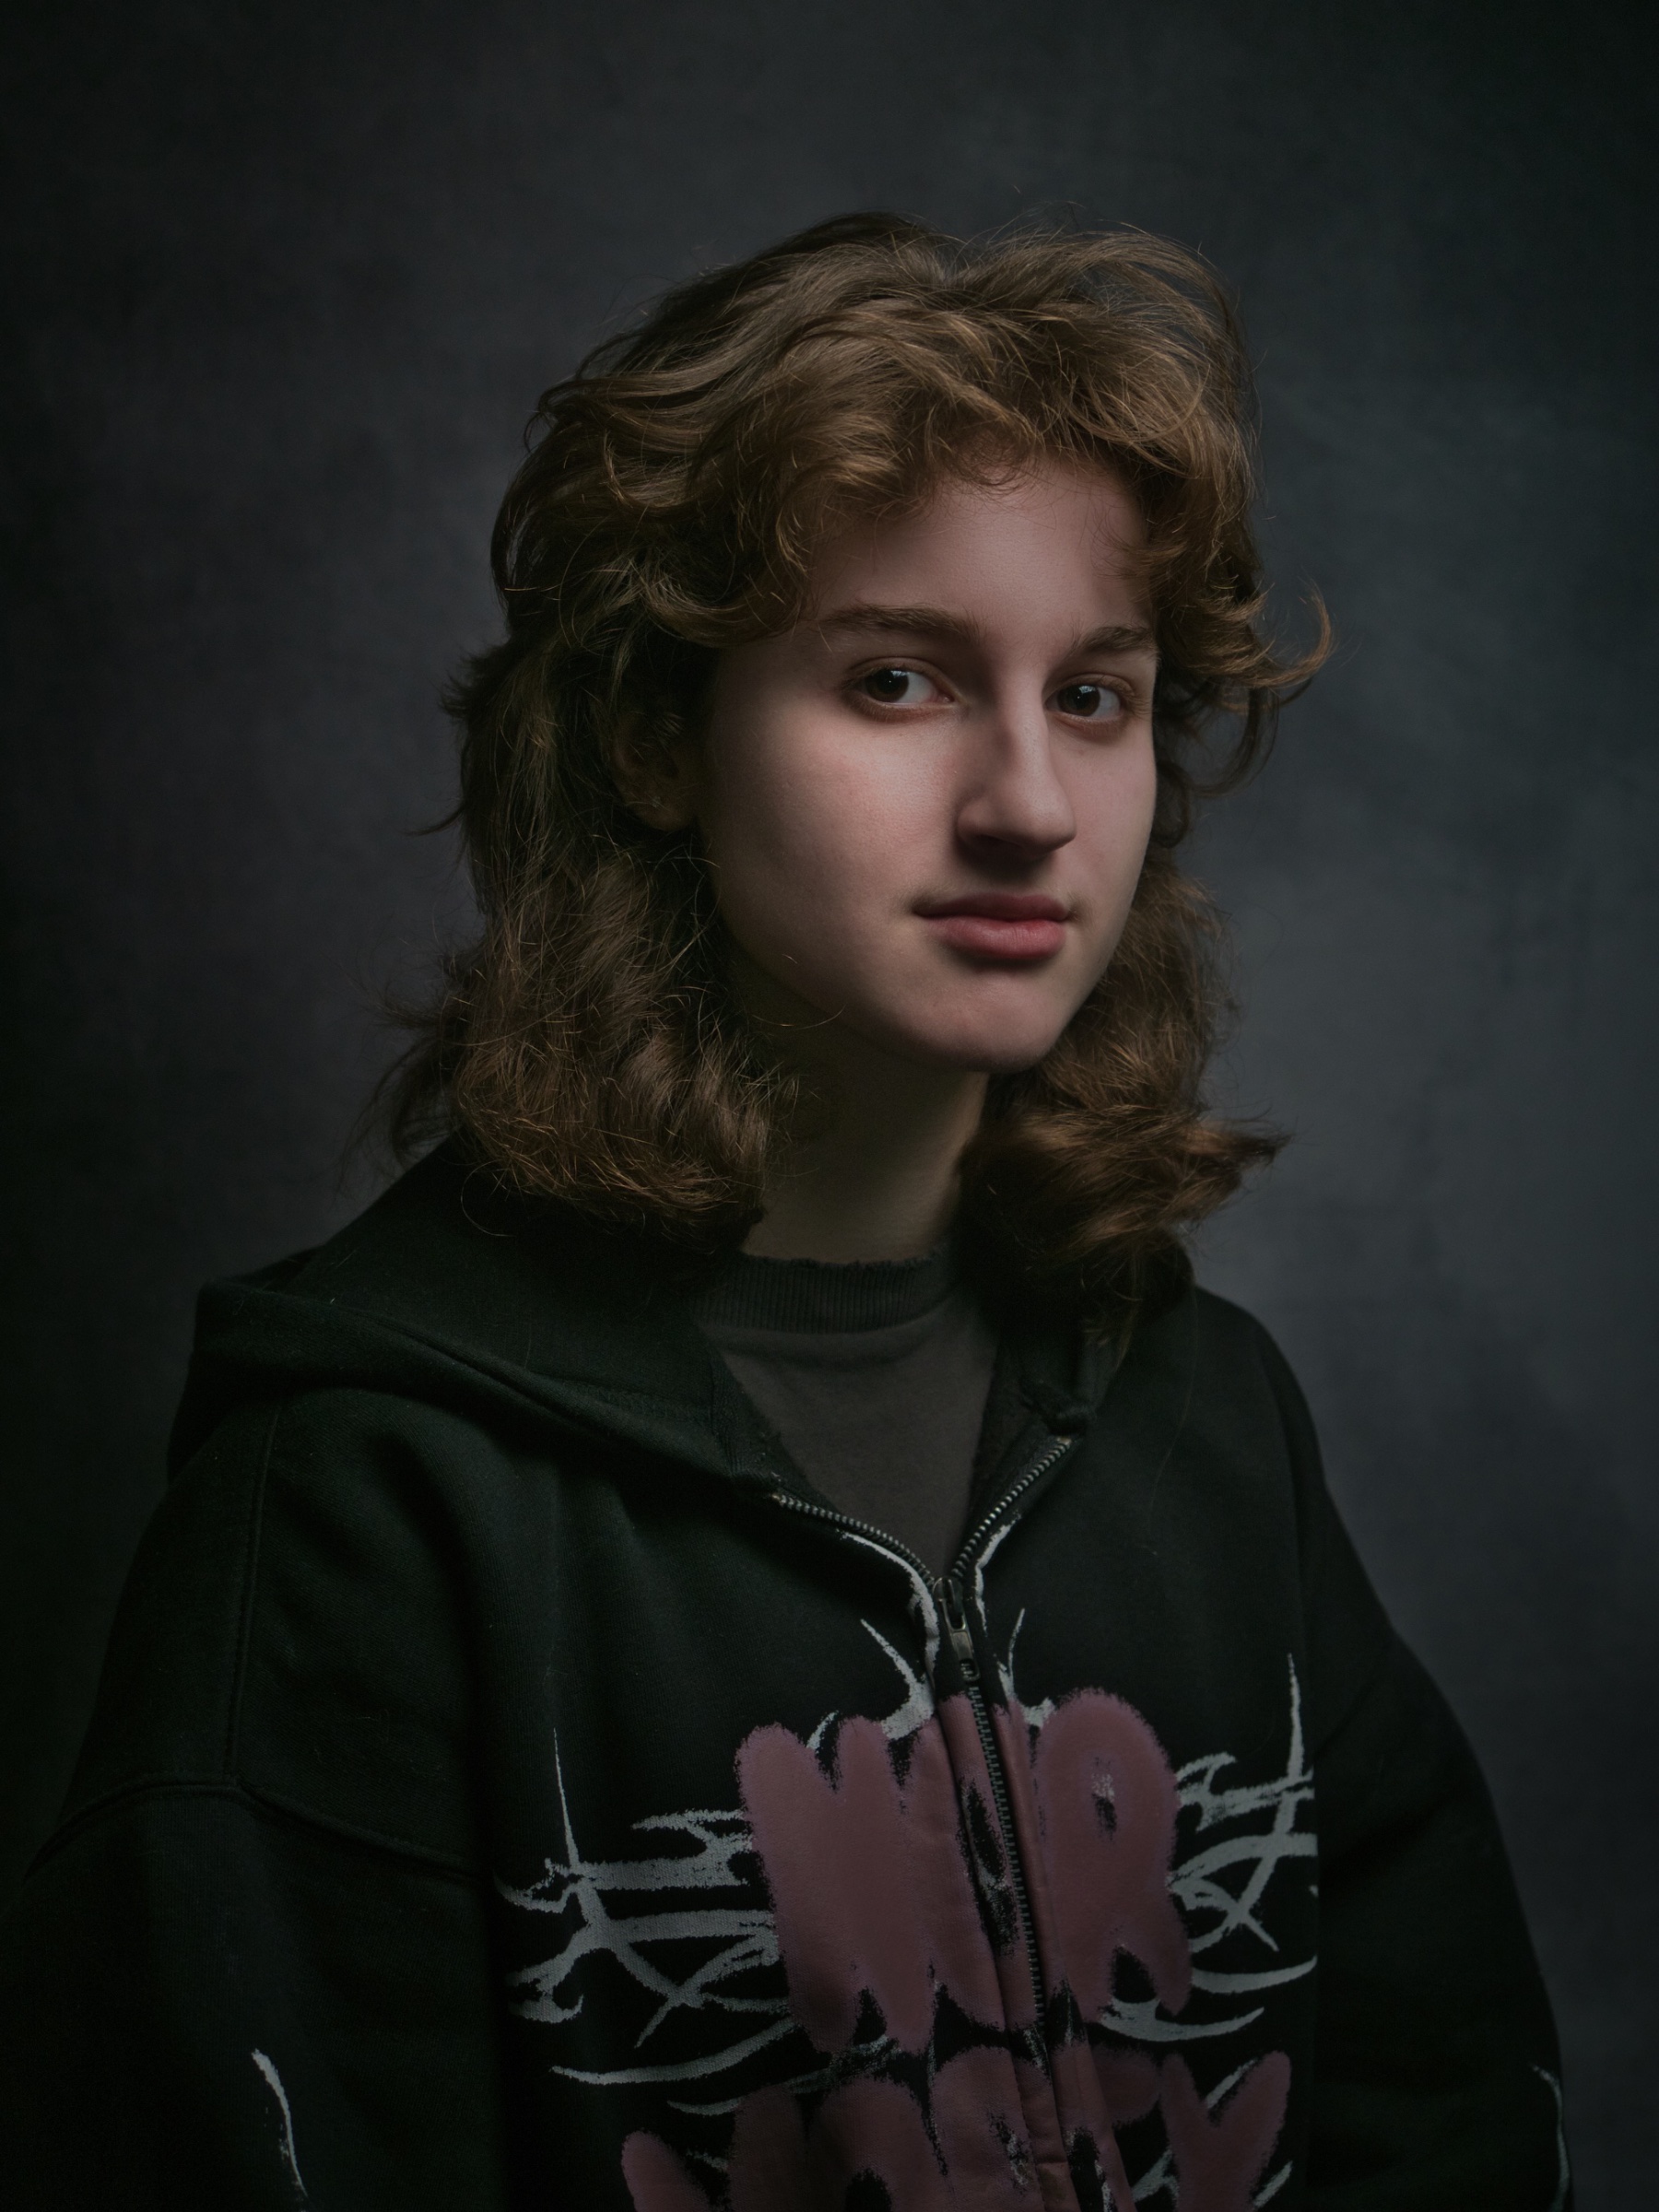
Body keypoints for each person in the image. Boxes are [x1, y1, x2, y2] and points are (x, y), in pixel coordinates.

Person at [0, 215, 1569, 2210]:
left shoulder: (1207, 1420)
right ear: (660, 733)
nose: (1026, 800)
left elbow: (1446, 2120)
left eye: (1095, 696)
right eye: (898, 679)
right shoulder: (366, 1494)